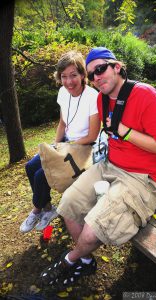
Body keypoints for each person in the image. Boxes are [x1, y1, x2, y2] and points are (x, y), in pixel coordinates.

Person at [40, 47, 156, 289]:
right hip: (110, 165)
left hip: (144, 177)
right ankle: (87, 260)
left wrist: (127, 132)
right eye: (92, 74)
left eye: (101, 69)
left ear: (117, 66)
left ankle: (70, 260)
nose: (97, 77)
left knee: (92, 231)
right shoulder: (102, 99)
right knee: (67, 204)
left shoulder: (146, 95)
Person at [20, 50, 100, 233]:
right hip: (65, 143)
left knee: (42, 175)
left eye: (73, 75)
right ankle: (49, 210)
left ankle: (37, 209)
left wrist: (66, 147)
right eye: (64, 76)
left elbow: (93, 136)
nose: (69, 81)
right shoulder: (63, 93)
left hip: (83, 148)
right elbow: (63, 123)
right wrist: (55, 146)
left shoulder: (92, 97)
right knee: (30, 167)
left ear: (82, 74)